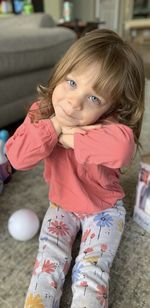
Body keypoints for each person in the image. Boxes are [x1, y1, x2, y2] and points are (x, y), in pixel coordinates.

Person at [6, 29, 145, 308]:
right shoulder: (41, 113)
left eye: (94, 98)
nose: (74, 102)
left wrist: (65, 136)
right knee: (48, 262)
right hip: (61, 205)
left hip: (104, 210)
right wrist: (54, 126)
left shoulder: (111, 126)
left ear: (110, 108)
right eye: (71, 82)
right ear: (60, 73)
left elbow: (121, 150)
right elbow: (18, 158)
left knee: (91, 271)